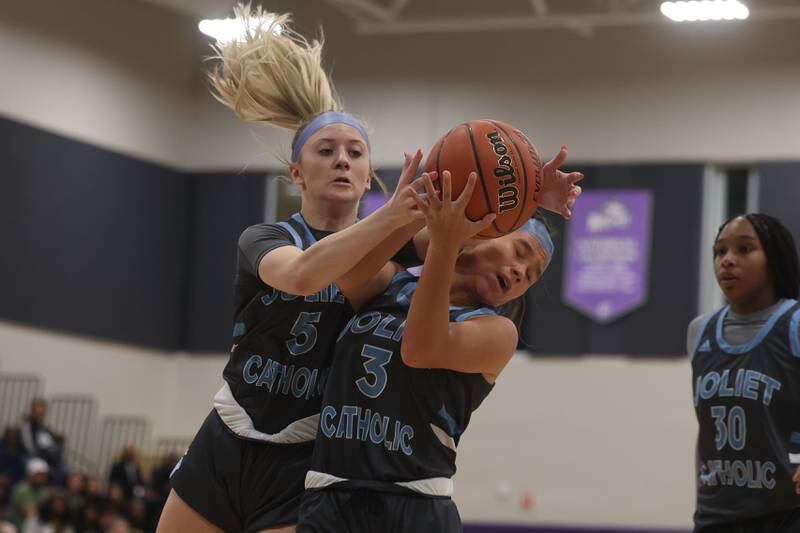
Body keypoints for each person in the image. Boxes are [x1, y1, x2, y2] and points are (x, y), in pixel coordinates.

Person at [157, 6, 427, 532]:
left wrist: (532, 199)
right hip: (228, 432)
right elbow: (303, 275)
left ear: (369, 174)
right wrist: (391, 216)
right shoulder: (265, 238)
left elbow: (469, 236)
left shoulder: (392, 246)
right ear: (297, 173)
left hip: (306, 456)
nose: (342, 159)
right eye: (326, 150)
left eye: (355, 152)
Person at [297, 163, 582, 532]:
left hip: (413, 504)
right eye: (520, 251)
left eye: (530, 275)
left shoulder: (497, 333)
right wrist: (520, 194)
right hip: (329, 493)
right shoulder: (393, 283)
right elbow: (349, 273)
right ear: (483, 233)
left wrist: (447, 244)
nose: (519, 271)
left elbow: (419, 349)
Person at [687, 213, 800, 532]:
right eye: (719, 251)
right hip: (715, 514)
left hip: (786, 512)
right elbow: (706, 430)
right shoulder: (699, 331)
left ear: (774, 259)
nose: (727, 260)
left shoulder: (794, 323)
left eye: (744, 249)